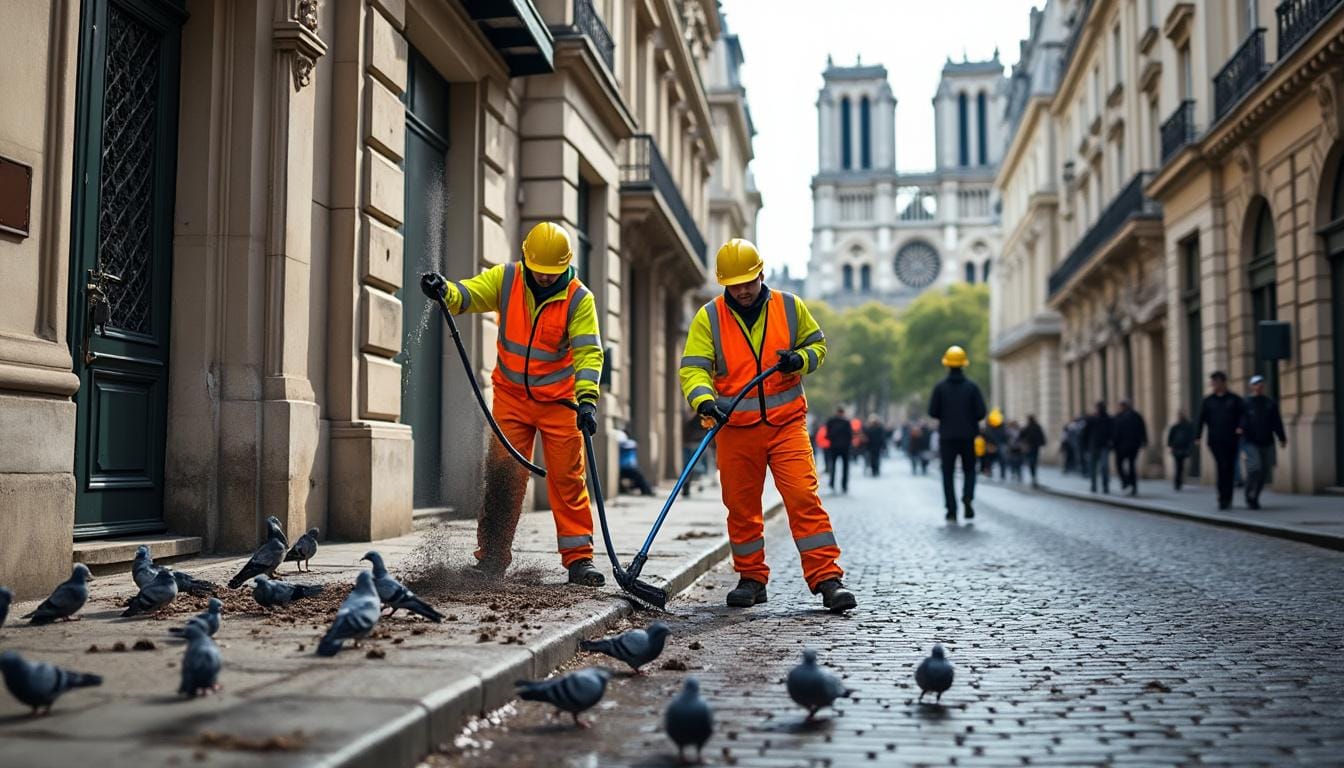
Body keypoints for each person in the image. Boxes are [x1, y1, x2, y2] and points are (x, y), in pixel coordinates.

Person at [420, 222, 606, 586]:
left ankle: (579, 560)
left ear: (565, 267)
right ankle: (491, 558)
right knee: (504, 477)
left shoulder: (578, 298)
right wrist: (446, 289)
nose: (545, 279)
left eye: (553, 274)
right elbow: (468, 294)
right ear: (526, 260)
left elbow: (588, 352)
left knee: (568, 478)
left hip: (560, 402)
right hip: (512, 399)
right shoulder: (507, 279)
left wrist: (587, 401)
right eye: (539, 272)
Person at [678, 238, 856, 613]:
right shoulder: (709, 317)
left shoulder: (790, 307)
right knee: (741, 507)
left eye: (748, 281)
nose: (742, 291)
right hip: (735, 428)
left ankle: (827, 578)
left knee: (803, 498)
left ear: (761, 273)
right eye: (735, 284)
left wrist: (800, 359)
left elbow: (818, 346)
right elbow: (693, 367)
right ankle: (751, 578)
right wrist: (704, 399)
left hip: (786, 424)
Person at [928, 345, 988, 520]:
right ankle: (967, 496)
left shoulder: (940, 387)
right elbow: (981, 412)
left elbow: (933, 411)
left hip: (947, 436)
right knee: (970, 470)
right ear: (964, 364)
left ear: (947, 364)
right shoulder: (972, 387)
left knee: (947, 473)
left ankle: (951, 510)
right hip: (968, 436)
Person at [1196, 371, 1245, 510]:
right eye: (1212, 382)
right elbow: (1201, 419)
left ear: (1223, 382)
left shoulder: (1235, 399)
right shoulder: (1208, 401)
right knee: (1222, 466)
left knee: (1229, 468)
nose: (1213, 385)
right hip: (1215, 440)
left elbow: (1243, 415)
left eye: (1215, 382)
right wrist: (1197, 436)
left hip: (1232, 440)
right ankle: (1222, 497)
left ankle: (1228, 497)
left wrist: (1240, 427)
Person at [1240, 374, 1287, 509]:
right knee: (1255, 467)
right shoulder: (1246, 403)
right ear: (1251, 386)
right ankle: (1249, 492)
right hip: (1250, 442)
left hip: (1266, 441)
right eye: (1256, 384)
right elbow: (1240, 420)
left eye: (1261, 384)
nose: (1259, 386)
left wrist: (1282, 438)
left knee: (1264, 472)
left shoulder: (1270, 403)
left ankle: (1255, 497)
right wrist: (1240, 429)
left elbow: (1276, 422)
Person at [1112, 399, 1148, 497]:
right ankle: (1132, 485)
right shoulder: (1136, 416)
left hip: (1124, 447)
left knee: (1121, 465)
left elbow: (1115, 432)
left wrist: (1113, 444)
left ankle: (1127, 482)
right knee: (1131, 466)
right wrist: (1144, 441)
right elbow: (1143, 430)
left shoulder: (1120, 417)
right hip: (1132, 446)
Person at [1082, 401, 1114, 494]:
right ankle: (1093, 485)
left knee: (1104, 467)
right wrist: (1085, 446)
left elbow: (1112, 432)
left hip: (1104, 446)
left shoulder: (1108, 419)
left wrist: (1111, 443)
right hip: (1093, 446)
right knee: (1093, 467)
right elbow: (1085, 434)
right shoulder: (1091, 420)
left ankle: (1105, 486)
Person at [615, 425, 655, 496]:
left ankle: (646, 490)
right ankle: (647, 490)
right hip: (627, 466)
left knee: (638, 477)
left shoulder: (625, 440)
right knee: (640, 477)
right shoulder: (622, 437)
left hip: (625, 466)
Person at [824, 407, 854, 494]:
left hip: (834, 447)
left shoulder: (831, 421)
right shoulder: (846, 422)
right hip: (845, 448)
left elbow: (828, 434)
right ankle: (844, 485)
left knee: (832, 466)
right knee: (845, 467)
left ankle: (832, 483)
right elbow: (849, 435)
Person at [681, 413, 711, 498]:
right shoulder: (688, 414)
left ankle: (695, 484)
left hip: (697, 443)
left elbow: (707, 427)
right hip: (690, 443)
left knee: (695, 466)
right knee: (690, 466)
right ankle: (688, 485)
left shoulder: (701, 413)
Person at [1167, 410, 1195, 491]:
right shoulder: (1175, 427)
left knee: (1180, 467)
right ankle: (1177, 483)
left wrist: (1189, 449)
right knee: (1178, 467)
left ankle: (1179, 482)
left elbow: (1190, 438)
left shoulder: (1188, 427)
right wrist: (1171, 447)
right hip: (1177, 449)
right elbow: (1170, 438)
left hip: (1183, 449)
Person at [1018, 415, 1046, 487]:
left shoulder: (1028, 427)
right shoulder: (1036, 427)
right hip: (1034, 447)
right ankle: (1033, 476)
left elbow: (1020, 436)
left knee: (1031, 461)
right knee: (1033, 461)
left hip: (1030, 447)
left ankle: (1033, 476)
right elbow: (1041, 436)